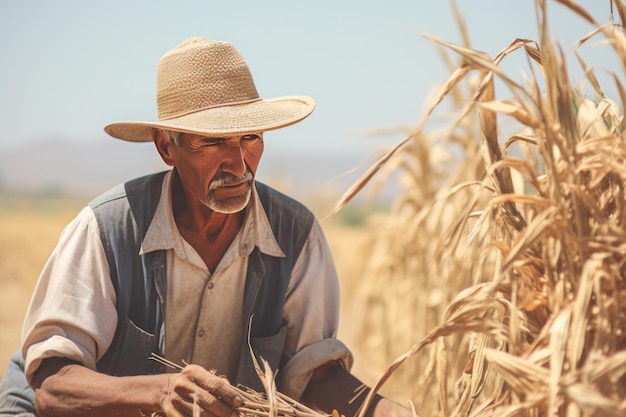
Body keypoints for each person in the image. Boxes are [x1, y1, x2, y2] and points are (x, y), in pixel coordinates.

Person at [0, 37, 411, 417]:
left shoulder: (296, 233)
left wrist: (394, 412)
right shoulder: (106, 228)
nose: (238, 164)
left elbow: (316, 375)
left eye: (250, 137)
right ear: (166, 147)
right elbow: (53, 386)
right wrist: (160, 393)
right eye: (212, 141)